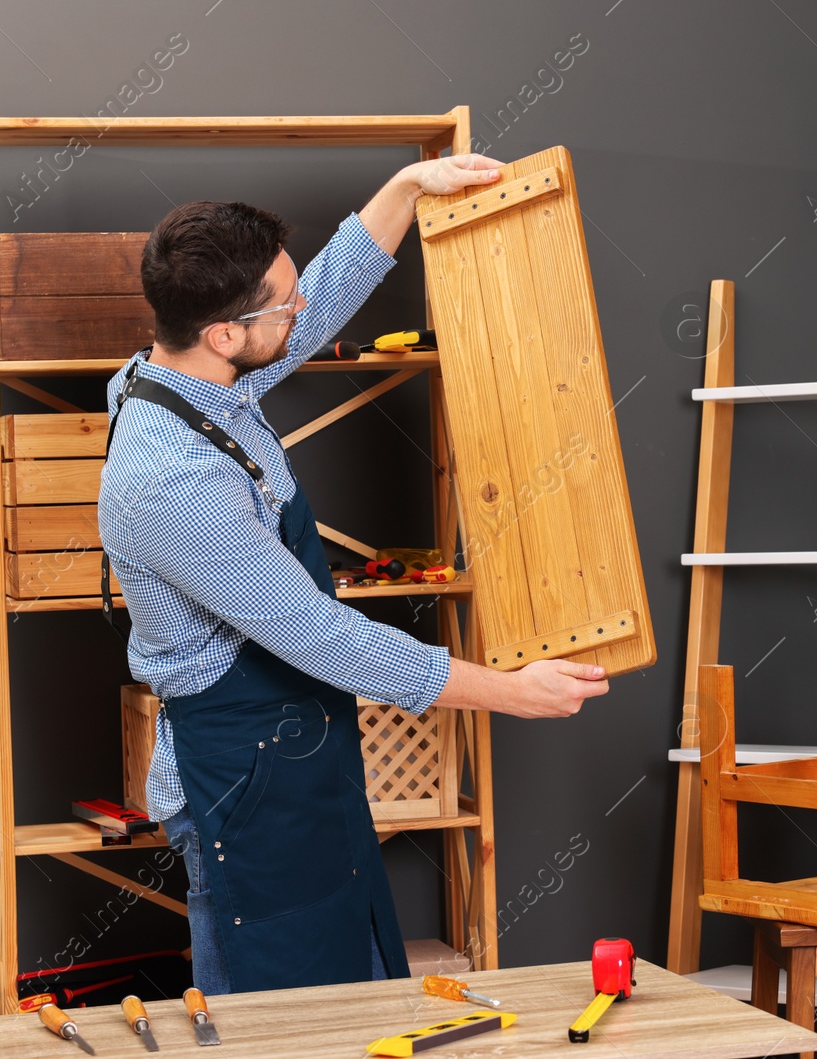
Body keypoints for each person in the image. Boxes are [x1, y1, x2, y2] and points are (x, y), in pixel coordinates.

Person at [97, 153, 611, 996]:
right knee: (281, 1026)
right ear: (225, 333)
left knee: (357, 998)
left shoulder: (190, 376)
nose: (301, 310)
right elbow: (324, 638)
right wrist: (512, 692)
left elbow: (318, 297)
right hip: (243, 782)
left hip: (296, 750)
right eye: (282, 302)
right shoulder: (171, 481)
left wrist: (410, 186)